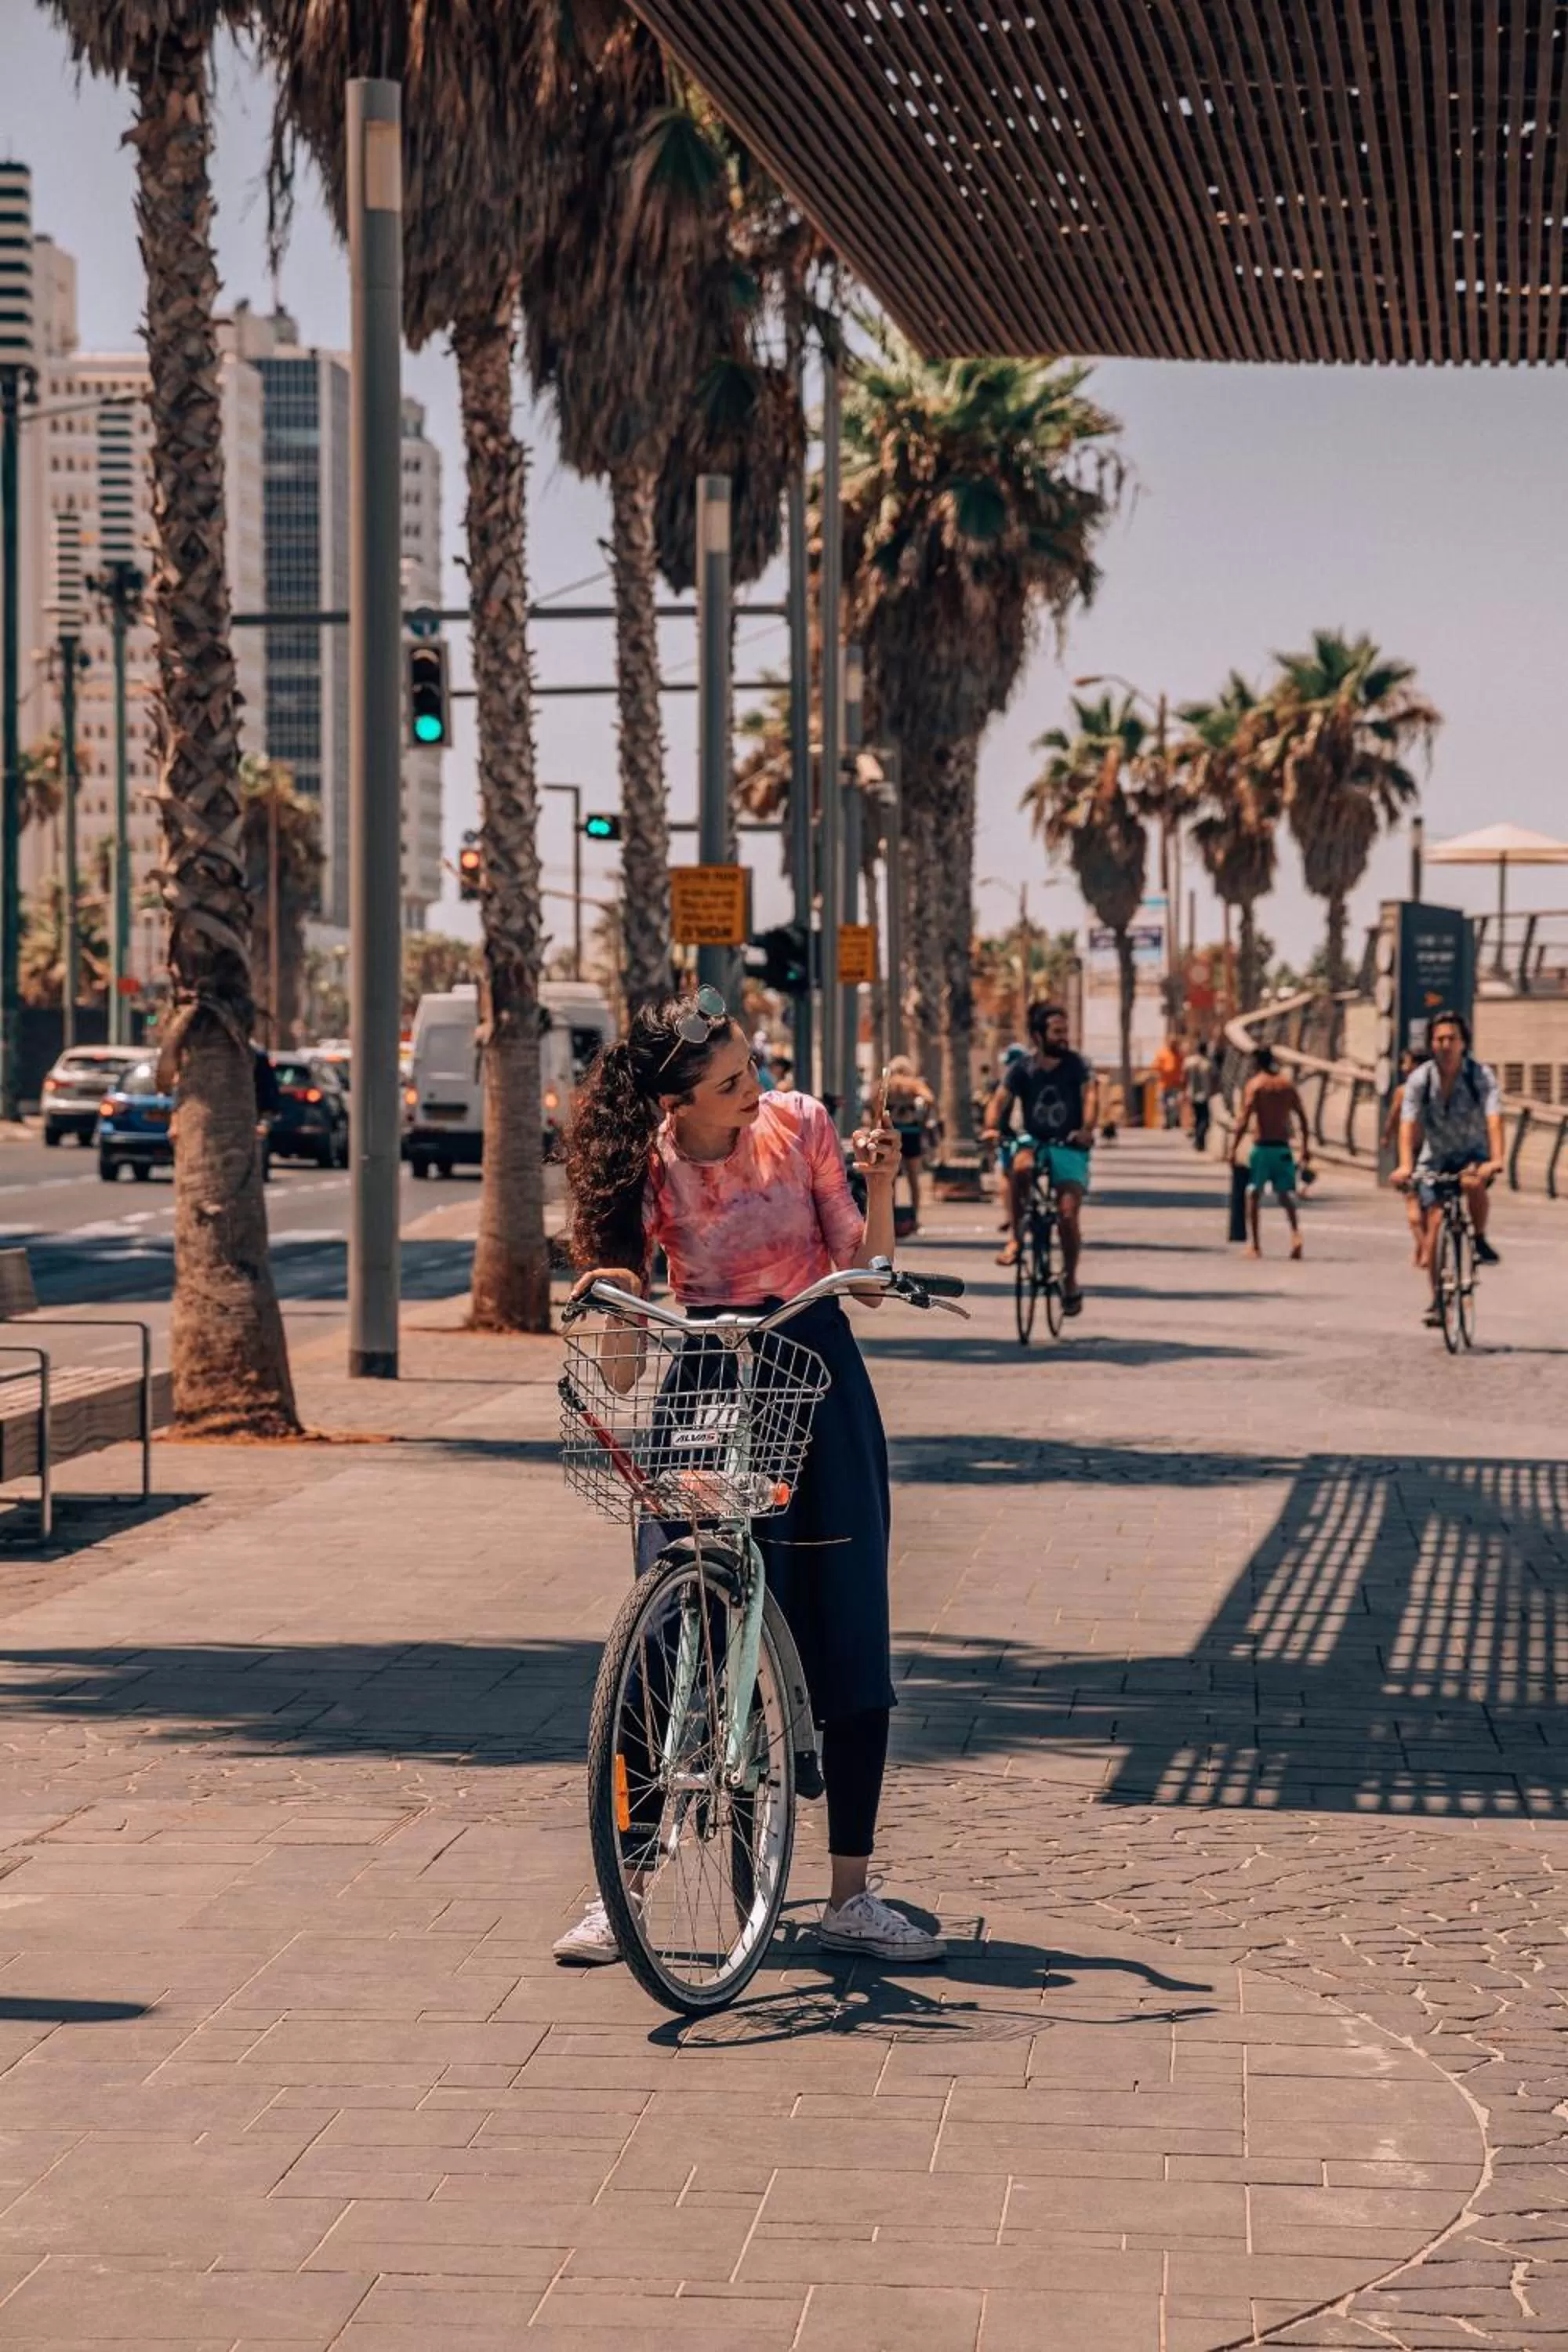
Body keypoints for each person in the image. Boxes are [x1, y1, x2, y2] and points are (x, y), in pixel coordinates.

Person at [554, 989, 944, 1969]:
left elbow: (864, 1273)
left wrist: (882, 1184)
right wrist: (612, 1293)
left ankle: (850, 1894)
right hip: (700, 1375)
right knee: (659, 1629)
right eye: (730, 1081)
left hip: (812, 1370)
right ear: (675, 1102)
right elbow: (623, 1371)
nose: (753, 1088)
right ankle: (624, 1884)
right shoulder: (643, 1166)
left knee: (846, 1625)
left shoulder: (799, 1124)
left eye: (749, 1067)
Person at [982, 1001, 1098, 1315]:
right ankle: (1017, 1236)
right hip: (1033, 1141)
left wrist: (1087, 1129)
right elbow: (999, 1100)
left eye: (1065, 1031)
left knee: (1068, 1215)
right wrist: (992, 1128)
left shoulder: (1077, 1065)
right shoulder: (1023, 1068)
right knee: (1020, 1168)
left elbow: (1090, 1096)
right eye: (1057, 1032)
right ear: (1037, 1035)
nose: (1064, 1037)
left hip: (1068, 1144)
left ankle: (1070, 1280)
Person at [1392, 1008, 1504, 1327]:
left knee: (1471, 1183)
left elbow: (1494, 1118)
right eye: (1439, 1039)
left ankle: (1479, 1237)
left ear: (1463, 1042)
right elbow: (1408, 1124)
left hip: (1472, 1153)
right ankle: (1438, 1301)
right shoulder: (1421, 1079)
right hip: (1436, 1157)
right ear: (1431, 1043)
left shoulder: (1479, 1076)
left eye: (1451, 1038)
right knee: (1435, 1223)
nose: (1445, 1045)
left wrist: (1496, 1159)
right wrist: (1405, 1165)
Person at [1229, 1044, 1312, 1259]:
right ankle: (1295, 1234)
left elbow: (1244, 1119)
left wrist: (1234, 1148)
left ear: (1256, 1063)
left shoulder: (1256, 1085)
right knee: (1285, 1195)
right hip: (1282, 1147)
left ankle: (1255, 1245)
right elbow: (1303, 1118)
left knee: (1253, 1194)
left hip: (1262, 1147)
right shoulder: (1286, 1085)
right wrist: (1305, 1148)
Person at [882, 1056, 938, 1234]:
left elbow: (873, 1103)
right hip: (911, 1133)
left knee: (890, 1179)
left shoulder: (886, 1084)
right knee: (913, 1177)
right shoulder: (914, 1084)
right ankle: (914, 1217)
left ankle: (889, 1218)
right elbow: (929, 1099)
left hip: (891, 1134)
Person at [1382, 1047, 1427, 1263]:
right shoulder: (1438, 1088)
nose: (1403, 1068)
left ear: (1416, 1066)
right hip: (1434, 1151)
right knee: (1429, 1202)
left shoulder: (1403, 1091)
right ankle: (1422, 1248)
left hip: (1411, 1154)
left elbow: (1393, 1116)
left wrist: (1387, 1136)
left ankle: (1425, 1247)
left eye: (1406, 1063)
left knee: (1412, 1201)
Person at [1185, 1037, 1214, 1152]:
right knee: (1204, 1119)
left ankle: (1198, 1141)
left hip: (1192, 1093)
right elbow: (1212, 1080)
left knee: (1198, 1118)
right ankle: (1199, 1141)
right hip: (1204, 1095)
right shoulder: (1207, 1064)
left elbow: (1185, 1077)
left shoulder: (1189, 1062)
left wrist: (1185, 1090)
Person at [1153, 1034, 1185, 1130]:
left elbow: (1183, 1068)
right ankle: (1165, 1122)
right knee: (1163, 1105)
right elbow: (1156, 1066)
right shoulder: (1162, 1053)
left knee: (1173, 1104)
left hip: (1175, 1085)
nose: (1173, 1045)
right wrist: (1164, 1070)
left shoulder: (1180, 1055)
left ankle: (1172, 1120)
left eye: (1175, 1043)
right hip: (1164, 1085)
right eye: (1172, 1043)